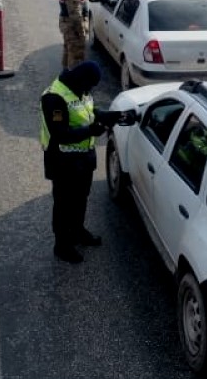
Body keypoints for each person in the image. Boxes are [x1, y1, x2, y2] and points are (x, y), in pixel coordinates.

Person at [39, 61, 135, 264]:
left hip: (82, 159)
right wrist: (91, 131)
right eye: (89, 86)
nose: (89, 90)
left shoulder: (79, 90)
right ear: (81, 80)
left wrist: (117, 116)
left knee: (81, 197)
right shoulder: (54, 97)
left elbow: (91, 112)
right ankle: (62, 245)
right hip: (62, 160)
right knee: (64, 203)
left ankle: (78, 231)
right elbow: (60, 134)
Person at [58, 0, 92, 70]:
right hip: (72, 25)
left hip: (66, 22)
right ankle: (73, 76)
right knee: (76, 53)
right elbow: (75, 15)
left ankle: (65, 72)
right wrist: (81, 32)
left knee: (68, 49)